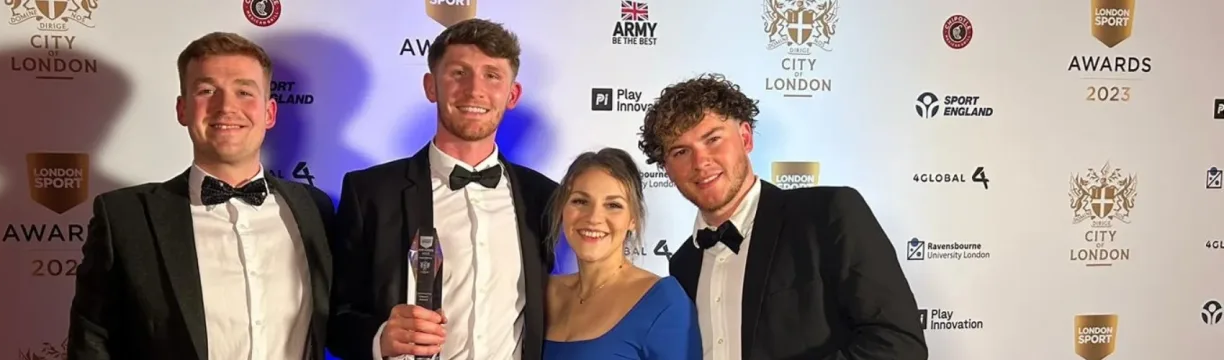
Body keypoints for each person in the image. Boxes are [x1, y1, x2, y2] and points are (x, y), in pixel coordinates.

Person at [66, 32, 336, 360]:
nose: (226, 107)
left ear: (269, 112)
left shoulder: (315, 209)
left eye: (244, 91)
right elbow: (91, 343)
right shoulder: (125, 218)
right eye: (207, 91)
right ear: (183, 109)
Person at [637, 74, 927, 360]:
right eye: (680, 152)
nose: (700, 163)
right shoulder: (683, 264)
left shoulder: (828, 214)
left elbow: (898, 344)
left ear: (746, 138)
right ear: (667, 170)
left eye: (713, 139)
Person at [327, 18, 559, 360]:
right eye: (458, 73)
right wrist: (379, 338)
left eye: (492, 75)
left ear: (512, 95)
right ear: (431, 86)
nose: (474, 90)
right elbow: (334, 317)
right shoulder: (371, 193)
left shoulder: (543, 197)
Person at [541, 148, 702, 360]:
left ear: (632, 219)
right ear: (563, 209)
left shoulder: (663, 302)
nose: (594, 218)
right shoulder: (542, 292)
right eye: (580, 201)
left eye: (613, 205)